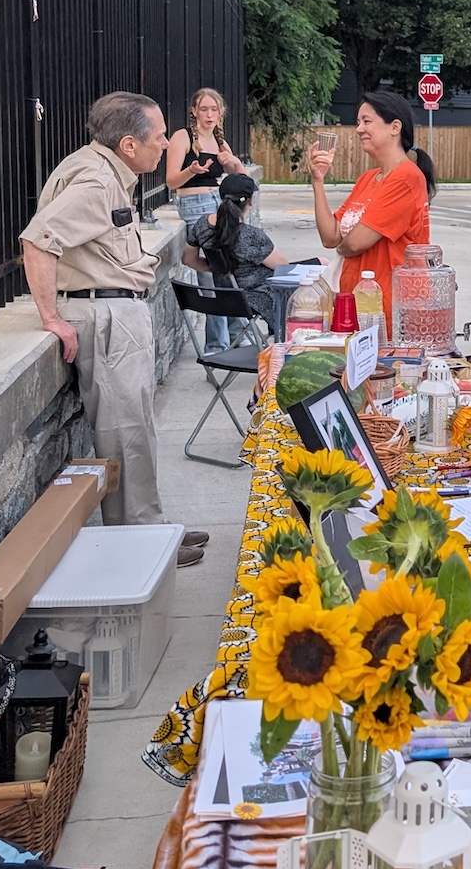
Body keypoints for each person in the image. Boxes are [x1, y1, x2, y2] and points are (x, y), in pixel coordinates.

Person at [22, 92, 207, 564]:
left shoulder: (103, 170)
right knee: (125, 433)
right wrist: (50, 317)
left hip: (115, 310)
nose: (165, 144)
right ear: (129, 144)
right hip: (104, 314)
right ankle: (140, 544)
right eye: (158, 136)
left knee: (136, 430)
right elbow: (39, 240)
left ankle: (151, 528)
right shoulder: (96, 180)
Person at [306, 92, 434, 323]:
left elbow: (355, 244)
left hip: (386, 307)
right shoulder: (368, 178)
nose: (359, 129)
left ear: (394, 127)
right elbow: (330, 236)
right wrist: (318, 181)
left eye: (367, 121)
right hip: (354, 302)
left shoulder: (406, 177)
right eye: (358, 122)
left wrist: (344, 247)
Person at [165, 88, 247, 353]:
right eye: (204, 109)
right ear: (194, 111)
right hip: (194, 203)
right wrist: (191, 170)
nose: (209, 115)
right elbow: (171, 181)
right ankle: (217, 342)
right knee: (210, 275)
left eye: (214, 109)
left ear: (221, 112)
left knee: (228, 267)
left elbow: (242, 179)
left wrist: (233, 161)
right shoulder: (183, 137)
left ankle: (236, 333)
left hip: (219, 202)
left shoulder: (220, 142)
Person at [182, 173, 290, 331]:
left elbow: (188, 259)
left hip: (225, 297)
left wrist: (218, 267)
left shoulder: (202, 226)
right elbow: (284, 267)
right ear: (250, 201)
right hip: (253, 300)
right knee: (317, 267)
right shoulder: (252, 236)